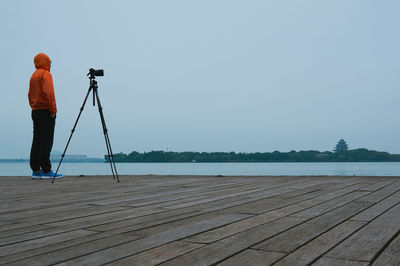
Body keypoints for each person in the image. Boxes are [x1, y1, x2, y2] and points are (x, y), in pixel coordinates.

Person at [28, 53, 63, 179]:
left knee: (36, 139)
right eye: (49, 62)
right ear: (45, 62)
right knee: (46, 140)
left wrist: (33, 106)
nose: (50, 65)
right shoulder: (45, 74)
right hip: (45, 110)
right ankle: (46, 170)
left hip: (35, 110)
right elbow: (49, 93)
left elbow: (29, 94)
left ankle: (36, 170)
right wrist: (53, 109)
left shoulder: (33, 75)